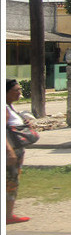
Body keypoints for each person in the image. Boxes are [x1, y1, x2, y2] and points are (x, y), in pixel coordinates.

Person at [6, 79, 32, 224]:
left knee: (11, 181)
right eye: (16, 90)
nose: (19, 93)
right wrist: (9, 151)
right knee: (11, 182)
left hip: (15, 151)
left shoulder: (10, 107)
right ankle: (8, 215)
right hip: (10, 152)